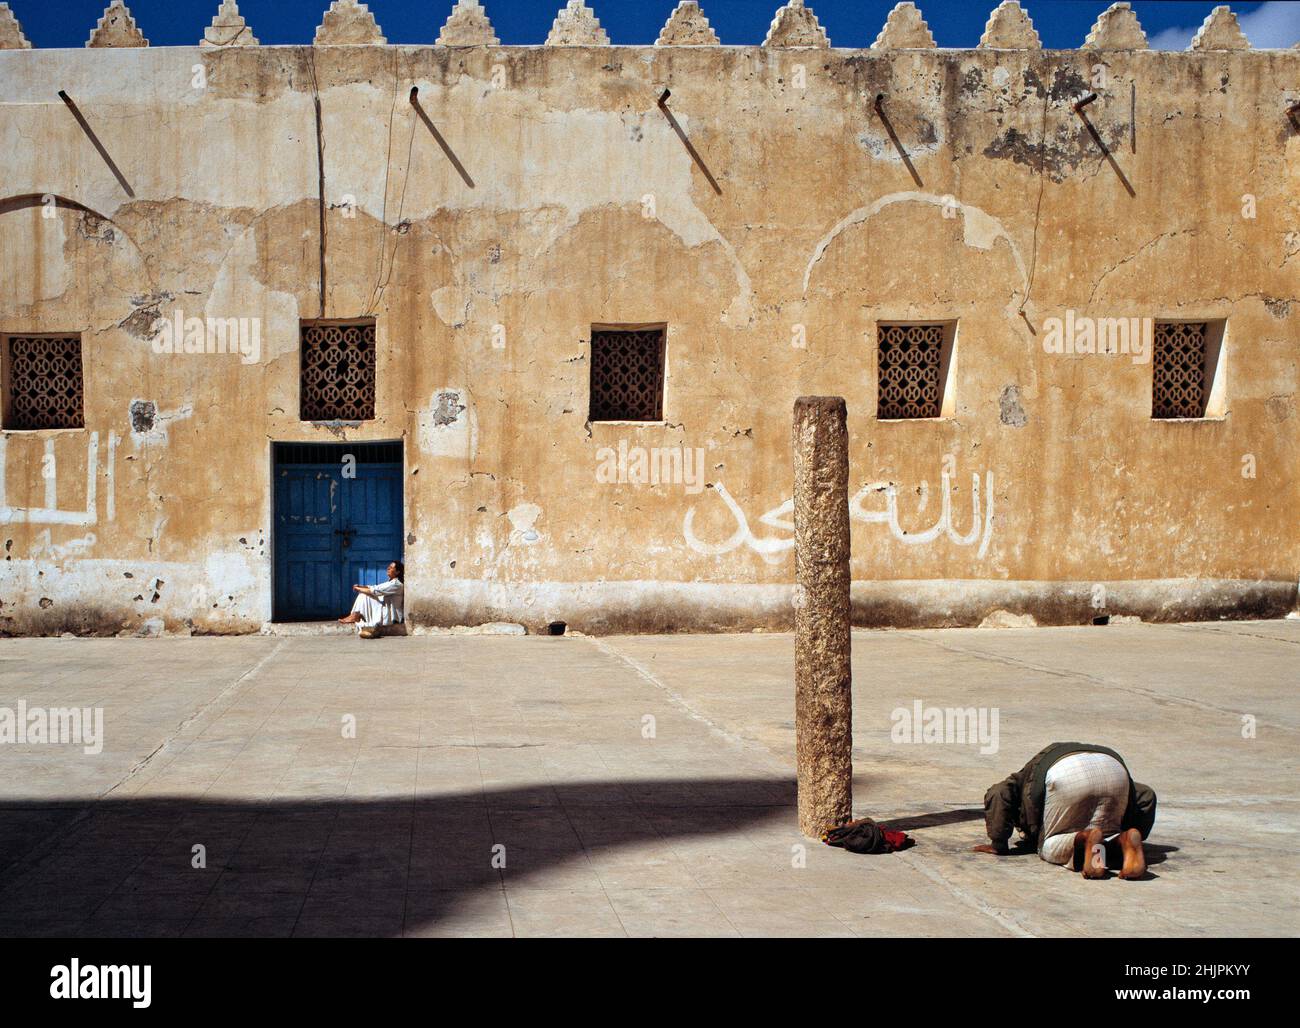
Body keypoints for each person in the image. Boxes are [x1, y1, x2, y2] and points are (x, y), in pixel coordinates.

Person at [973, 741, 1157, 879]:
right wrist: (1136, 826)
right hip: (1114, 767)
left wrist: (998, 843)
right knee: (1106, 832)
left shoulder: (1016, 782)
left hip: (1064, 773)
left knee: (1049, 846)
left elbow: (998, 793)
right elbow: (1146, 795)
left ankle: (1085, 838)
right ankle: (1124, 839)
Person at [338, 561, 404, 637]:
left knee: (364, 594)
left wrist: (358, 589)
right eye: (389, 567)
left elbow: (376, 591)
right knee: (364, 594)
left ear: (397, 572)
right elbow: (376, 587)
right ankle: (355, 615)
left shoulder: (397, 584)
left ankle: (355, 616)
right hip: (384, 608)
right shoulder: (391, 582)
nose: (388, 568)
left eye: (391, 568)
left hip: (390, 615)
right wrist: (361, 586)